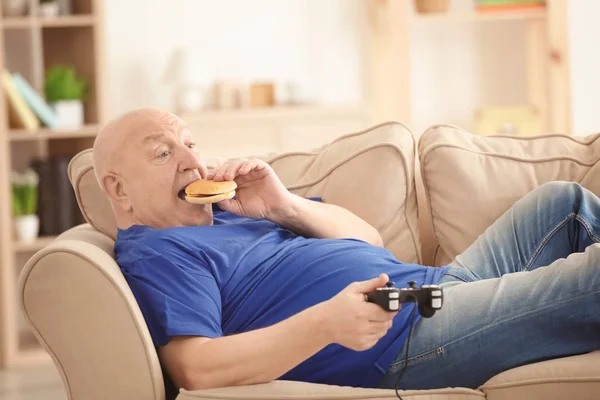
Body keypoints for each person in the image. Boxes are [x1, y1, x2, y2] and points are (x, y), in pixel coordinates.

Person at [93, 108, 600, 393]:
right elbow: (194, 367)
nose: (192, 161)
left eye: (190, 143)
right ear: (118, 190)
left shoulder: (232, 210)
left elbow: (369, 240)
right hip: (404, 339)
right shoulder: (159, 251)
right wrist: (325, 325)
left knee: (564, 202)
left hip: (433, 289)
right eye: (164, 152)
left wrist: (282, 205)